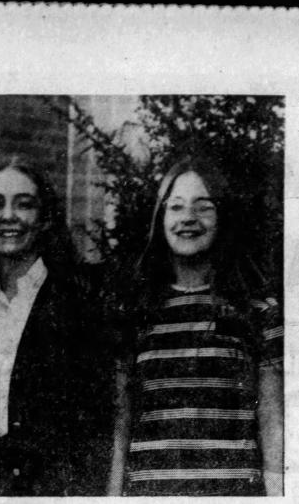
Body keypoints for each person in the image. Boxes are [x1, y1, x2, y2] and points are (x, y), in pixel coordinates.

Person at [113, 155, 284, 496]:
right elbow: (120, 431)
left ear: (223, 217)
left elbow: (273, 424)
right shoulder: (134, 314)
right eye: (176, 207)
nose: (188, 218)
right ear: (161, 220)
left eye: (203, 207)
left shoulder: (258, 312)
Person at [0, 156, 114, 496]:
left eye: (24, 205)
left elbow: (93, 426)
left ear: (45, 217)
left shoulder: (77, 305)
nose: (8, 216)